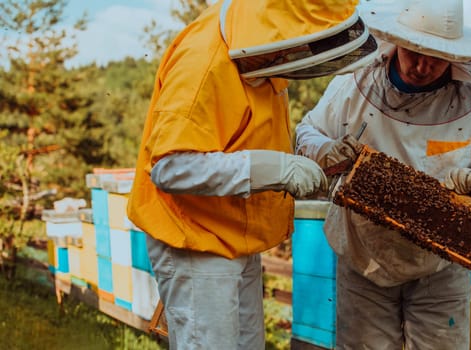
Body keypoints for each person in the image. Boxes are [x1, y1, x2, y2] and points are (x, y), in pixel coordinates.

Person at [126, 0, 378, 349]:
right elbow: (170, 167)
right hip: (197, 238)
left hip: (236, 233)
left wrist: (312, 161)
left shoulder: (267, 43)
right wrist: (276, 169)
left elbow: (243, 135)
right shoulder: (203, 61)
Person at [295, 0, 471, 349]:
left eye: (435, 55)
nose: (422, 65)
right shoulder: (355, 83)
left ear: (456, 53)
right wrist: (323, 150)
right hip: (362, 257)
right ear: (398, 41)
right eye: (415, 51)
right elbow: (308, 131)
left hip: (441, 268)